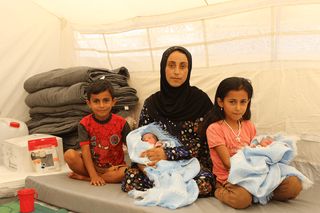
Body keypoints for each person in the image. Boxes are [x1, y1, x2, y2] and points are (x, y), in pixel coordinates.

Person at [121, 46, 215, 197]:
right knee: (130, 180)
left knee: (204, 184)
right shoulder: (152, 103)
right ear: (163, 68)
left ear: (189, 70)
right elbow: (140, 139)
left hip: (190, 163)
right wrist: (147, 160)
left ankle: (166, 187)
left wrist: (168, 153)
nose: (177, 71)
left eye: (182, 66)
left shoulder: (200, 101)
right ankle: (173, 187)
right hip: (158, 165)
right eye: (171, 65)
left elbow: (203, 144)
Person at [202, 77, 302, 208]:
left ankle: (257, 191)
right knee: (241, 199)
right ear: (221, 102)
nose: (238, 108)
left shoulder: (248, 125)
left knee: (294, 185)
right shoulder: (214, 128)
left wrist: (264, 148)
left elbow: (255, 151)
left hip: (255, 174)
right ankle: (219, 190)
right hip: (231, 176)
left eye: (243, 102)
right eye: (232, 102)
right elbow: (228, 164)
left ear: (248, 102)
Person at [64, 79, 131, 186]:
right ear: (89, 103)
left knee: (126, 173)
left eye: (106, 100)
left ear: (113, 102)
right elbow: (85, 152)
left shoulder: (122, 123)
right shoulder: (84, 124)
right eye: (96, 101)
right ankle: (93, 176)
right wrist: (93, 174)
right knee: (69, 155)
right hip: (91, 166)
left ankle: (85, 178)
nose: (101, 105)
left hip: (114, 169)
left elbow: (132, 148)